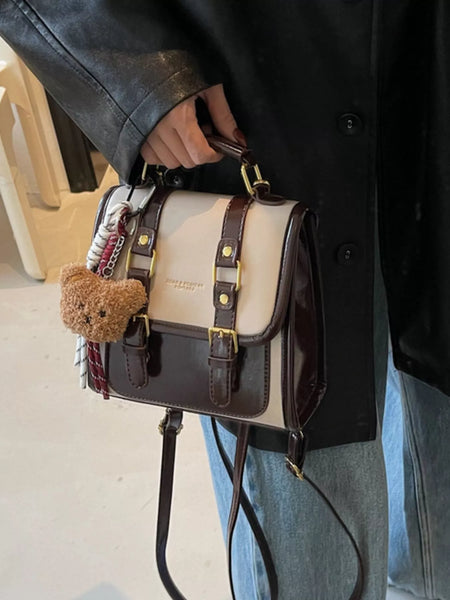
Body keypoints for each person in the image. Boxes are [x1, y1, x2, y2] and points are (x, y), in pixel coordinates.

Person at [1, 2, 449, 598]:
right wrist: (135, 72)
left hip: (425, 89)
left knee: (435, 430)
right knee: (310, 516)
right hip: (256, 107)